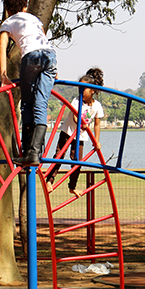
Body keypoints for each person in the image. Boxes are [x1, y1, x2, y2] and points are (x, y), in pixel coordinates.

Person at [0, 0, 58, 167]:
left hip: (31, 58)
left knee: (27, 104)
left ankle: (28, 150)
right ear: (25, 6)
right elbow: (43, 40)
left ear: (8, 9)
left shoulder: (8, 22)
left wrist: (3, 75)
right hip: (50, 57)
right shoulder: (34, 18)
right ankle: (36, 151)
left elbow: (2, 46)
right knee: (41, 104)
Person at [44, 68, 105, 198]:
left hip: (80, 136)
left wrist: (97, 140)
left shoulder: (97, 106)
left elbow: (97, 124)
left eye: (85, 88)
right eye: (80, 87)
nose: (81, 91)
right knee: (59, 155)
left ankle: (72, 187)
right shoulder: (77, 100)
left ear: (93, 90)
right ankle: (49, 181)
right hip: (68, 131)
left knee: (77, 161)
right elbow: (75, 117)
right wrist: (82, 123)